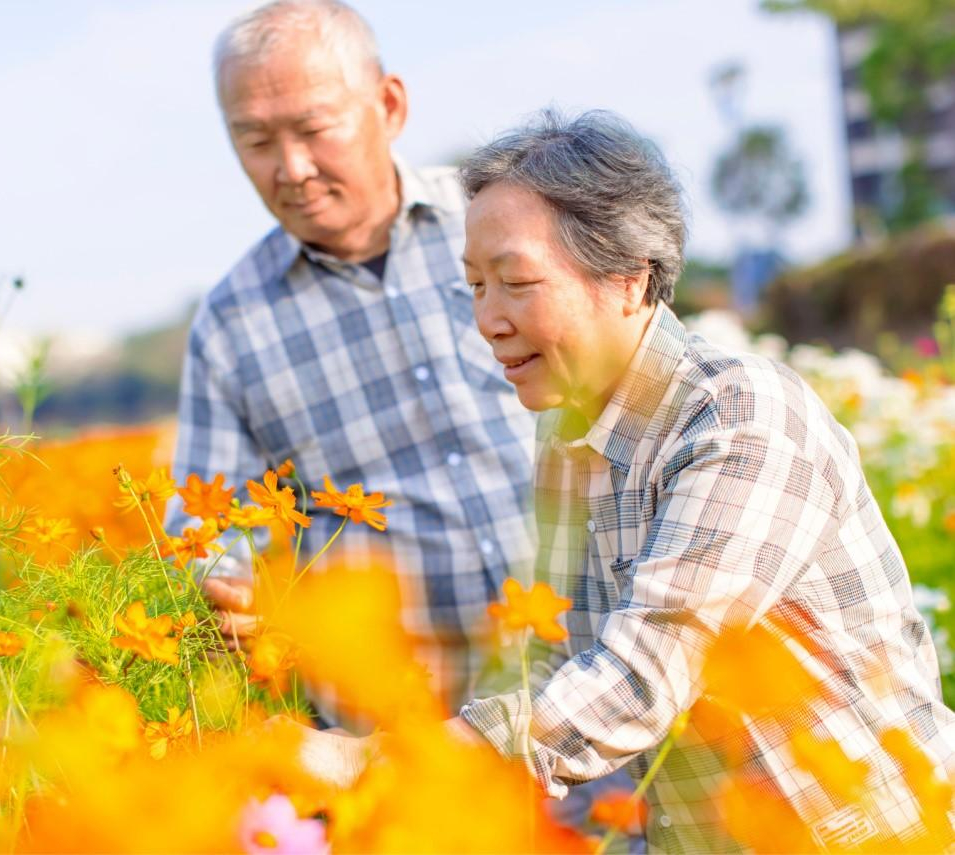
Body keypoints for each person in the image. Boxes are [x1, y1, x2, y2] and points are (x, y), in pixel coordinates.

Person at [300, 109, 955, 851]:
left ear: (629, 280)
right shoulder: (566, 430)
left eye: (515, 280)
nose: (488, 319)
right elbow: (551, 663)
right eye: (475, 285)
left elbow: (641, 677)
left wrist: (376, 760)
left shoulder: (738, 418)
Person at [166, 0, 538, 729]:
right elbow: (208, 521)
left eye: (313, 128)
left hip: (589, 689)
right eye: (255, 140)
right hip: (399, 739)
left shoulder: (509, 226)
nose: (292, 168)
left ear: (388, 104)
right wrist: (223, 584)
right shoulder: (232, 323)